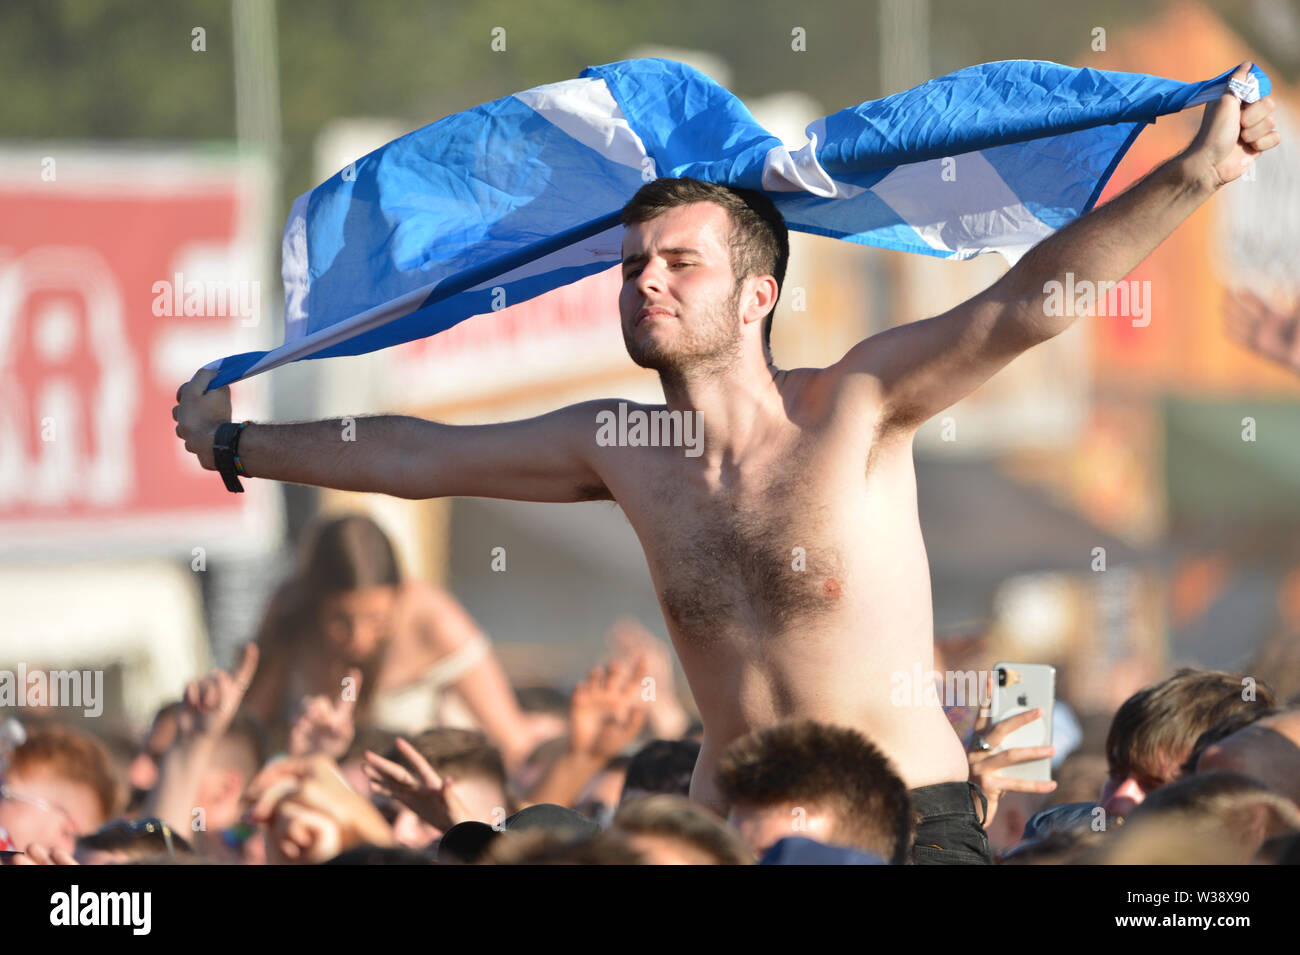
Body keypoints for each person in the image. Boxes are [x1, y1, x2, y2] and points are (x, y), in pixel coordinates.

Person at [174, 65, 1279, 861]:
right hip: (730, 835)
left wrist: (1190, 178)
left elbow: (1023, 307)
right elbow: (416, 450)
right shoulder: (618, 446)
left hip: (905, 826)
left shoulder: (854, 404)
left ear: (758, 294)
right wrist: (238, 441)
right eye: (631, 264)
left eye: (679, 263)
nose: (644, 281)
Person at [240, 513, 543, 770]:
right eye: (341, 620)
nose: (360, 638)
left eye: (377, 620)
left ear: (400, 595)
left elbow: (513, 744)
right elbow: (247, 732)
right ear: (313, 603)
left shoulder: (435, 620)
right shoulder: (289, 614)